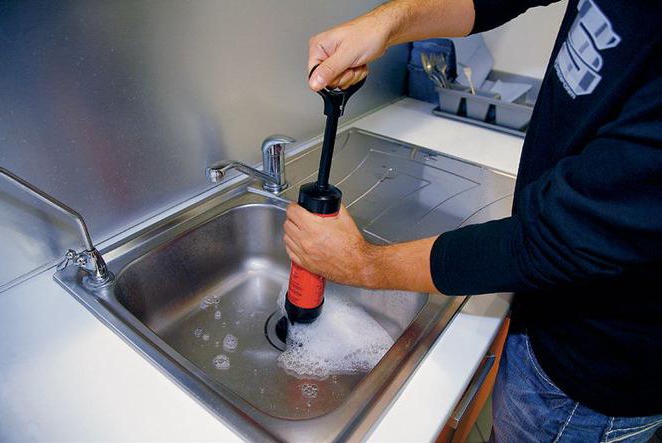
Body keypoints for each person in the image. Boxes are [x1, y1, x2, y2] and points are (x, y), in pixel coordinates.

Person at [282, 0, 662, 441]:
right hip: (550, 311)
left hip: (593, 376)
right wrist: (384, 24)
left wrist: (364, 265)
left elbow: (558, 240)